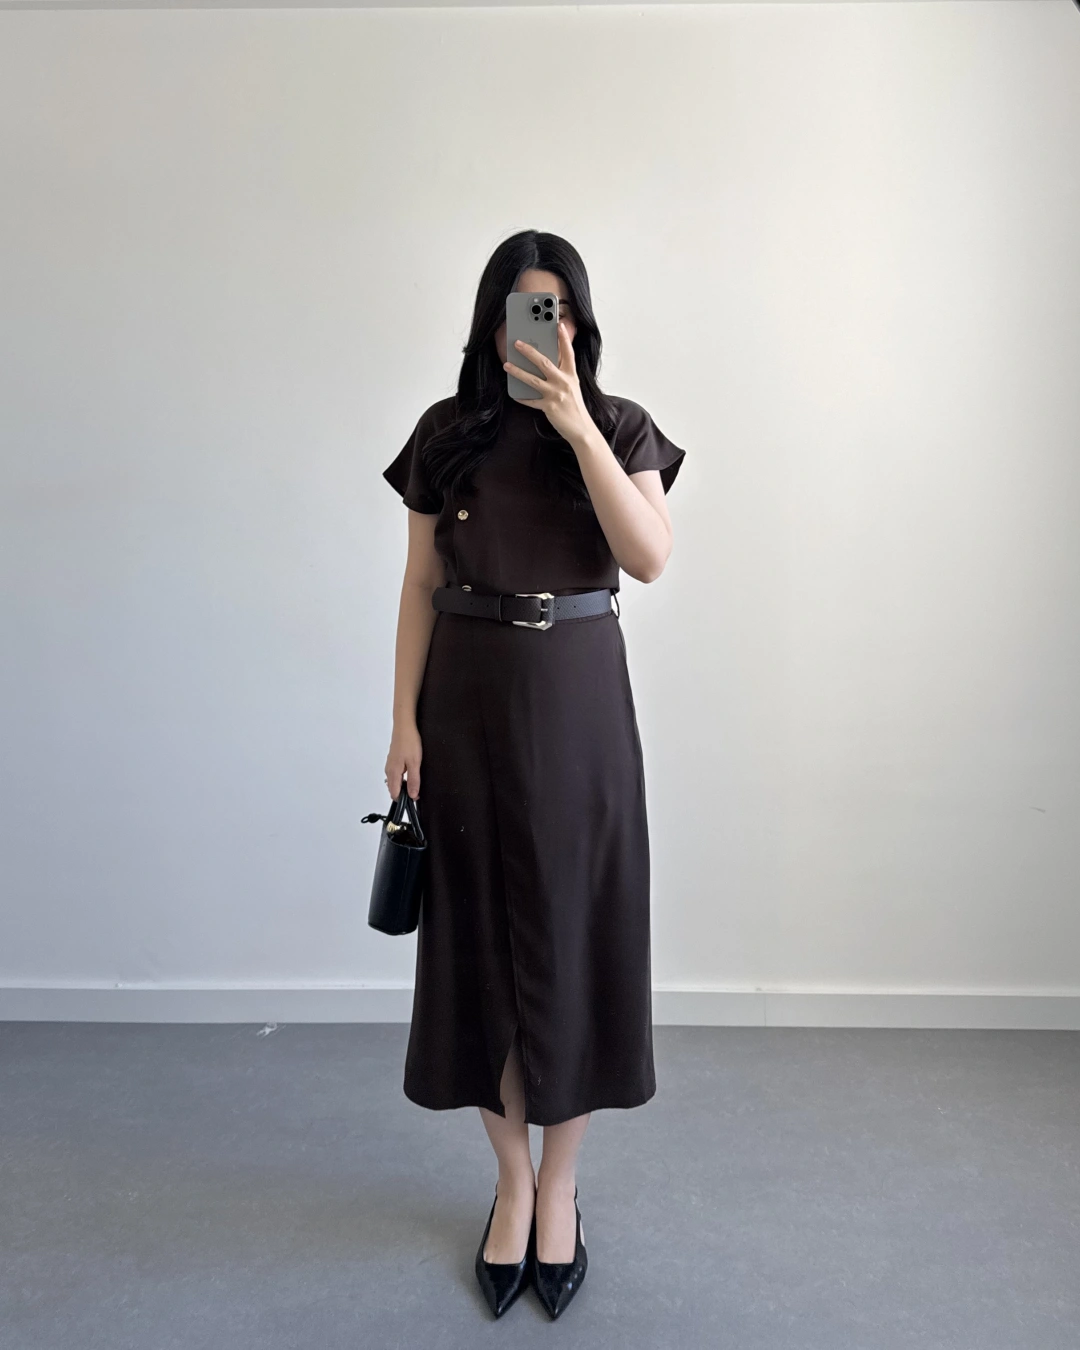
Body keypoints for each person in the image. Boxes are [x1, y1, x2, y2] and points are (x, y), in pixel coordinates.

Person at [380, 229, 686, 1319]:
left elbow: (648, 556)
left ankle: (562, 1189)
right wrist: (402, 722)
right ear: (492, 319)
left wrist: (576, 427)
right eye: (523, 307)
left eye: (556, 308)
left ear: (581, 323)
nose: (540, 327)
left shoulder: (620, 426)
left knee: (573, 938)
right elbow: (418, 583)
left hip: (579, 705)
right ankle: (512, 1184)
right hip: (463, 702)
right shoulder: (445, 434)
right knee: (478, 947)